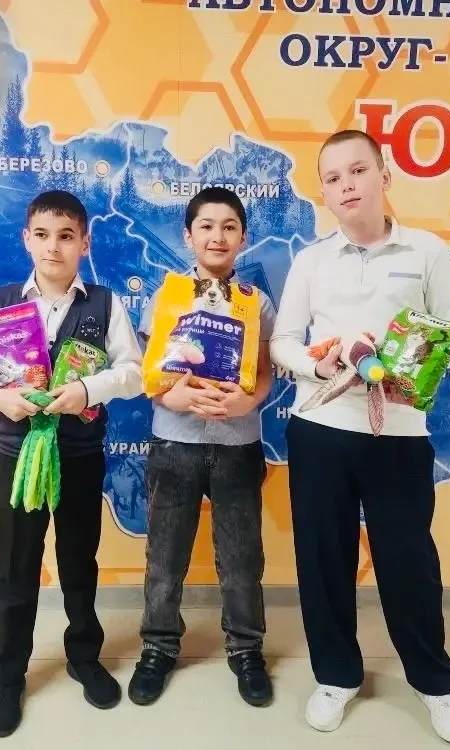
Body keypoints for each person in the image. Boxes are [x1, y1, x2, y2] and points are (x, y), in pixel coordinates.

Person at [269, 130, 450, 745]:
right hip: (321, 429)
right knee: (323, 560)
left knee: (409, 562)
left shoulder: (427, 251)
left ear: (384, 176)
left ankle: (434, 682)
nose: (347, 185)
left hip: (399, 434)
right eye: (333, 178)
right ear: (324, 193)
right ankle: (336, 676)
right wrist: (320, 364)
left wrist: (408, 357)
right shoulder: (311, 260)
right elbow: (283, 342)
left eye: (358, 170)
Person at [0, 190, 143, 738]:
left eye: (66, 236)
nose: (54, 247)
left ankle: (84, 656)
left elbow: (133, 372)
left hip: (79, 459)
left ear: (85, 243)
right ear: (26, 239)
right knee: (15, 568)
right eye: (42, 235)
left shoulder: (105, 305)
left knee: (79, 563)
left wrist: (87, 390)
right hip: (16, 460)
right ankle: (9, 676)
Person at [127, 187, 276, 708]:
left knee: (241, 560)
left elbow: (265, 372)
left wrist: (247, 402)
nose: (218, 236)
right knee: (165, 558)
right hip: (175, 443)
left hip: (238, 444)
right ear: (188, 236)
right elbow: (150, 370)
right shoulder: (166, 296)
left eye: (229, 226)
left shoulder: (257, 303)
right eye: (207, 226)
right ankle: (158, 648)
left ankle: (246, 650)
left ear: (243, 238)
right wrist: (171, 395)